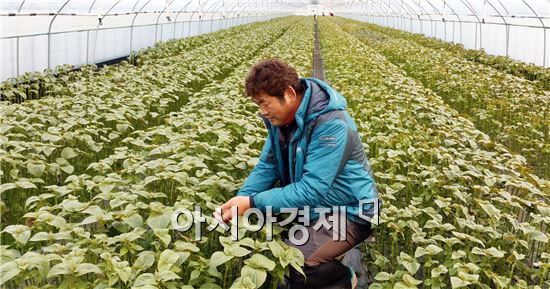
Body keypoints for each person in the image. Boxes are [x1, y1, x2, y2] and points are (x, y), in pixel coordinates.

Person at [218, 59, 379, 289]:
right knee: (279, 254)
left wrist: (251, 202)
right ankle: (326, 257)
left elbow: (311, 190)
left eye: (265, 103)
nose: (262, 112)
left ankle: (345, 277)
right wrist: (240, 199)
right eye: (258, 104)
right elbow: (267, 165)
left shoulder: (331, 125)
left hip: (352, 211)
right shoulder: (281, 121)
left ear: (290, 94)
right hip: (316, 208)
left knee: (297, 265)